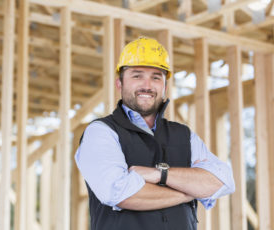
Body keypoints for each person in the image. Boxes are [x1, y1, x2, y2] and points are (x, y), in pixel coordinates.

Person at [75, 37, 235, 230]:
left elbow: (222, 181)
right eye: (137, 76)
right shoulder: (101, 132)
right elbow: (119, 192)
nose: (147, 85)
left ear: (165, 86)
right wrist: (190, 192)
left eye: (156, 77)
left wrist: (159, 175)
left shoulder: (184, 135)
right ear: (120, 83)